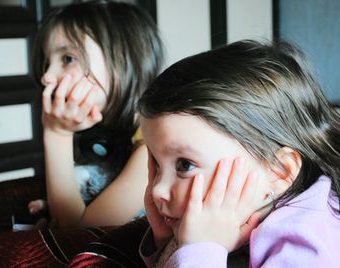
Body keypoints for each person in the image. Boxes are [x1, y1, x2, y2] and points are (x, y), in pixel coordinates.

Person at [137, 40, 340, 267]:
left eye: (185, 165)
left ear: (279, 171)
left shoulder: (305, 244)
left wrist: (200, 249)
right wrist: (168, 243)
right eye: (155, 163)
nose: (158, 190)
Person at [28, 0, 164, 228]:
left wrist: (57, 134)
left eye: (68, 58)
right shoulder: (99, 130)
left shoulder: (155, 144)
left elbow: (78, 235)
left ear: (123, 60)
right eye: (47, 62)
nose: (47, 77)